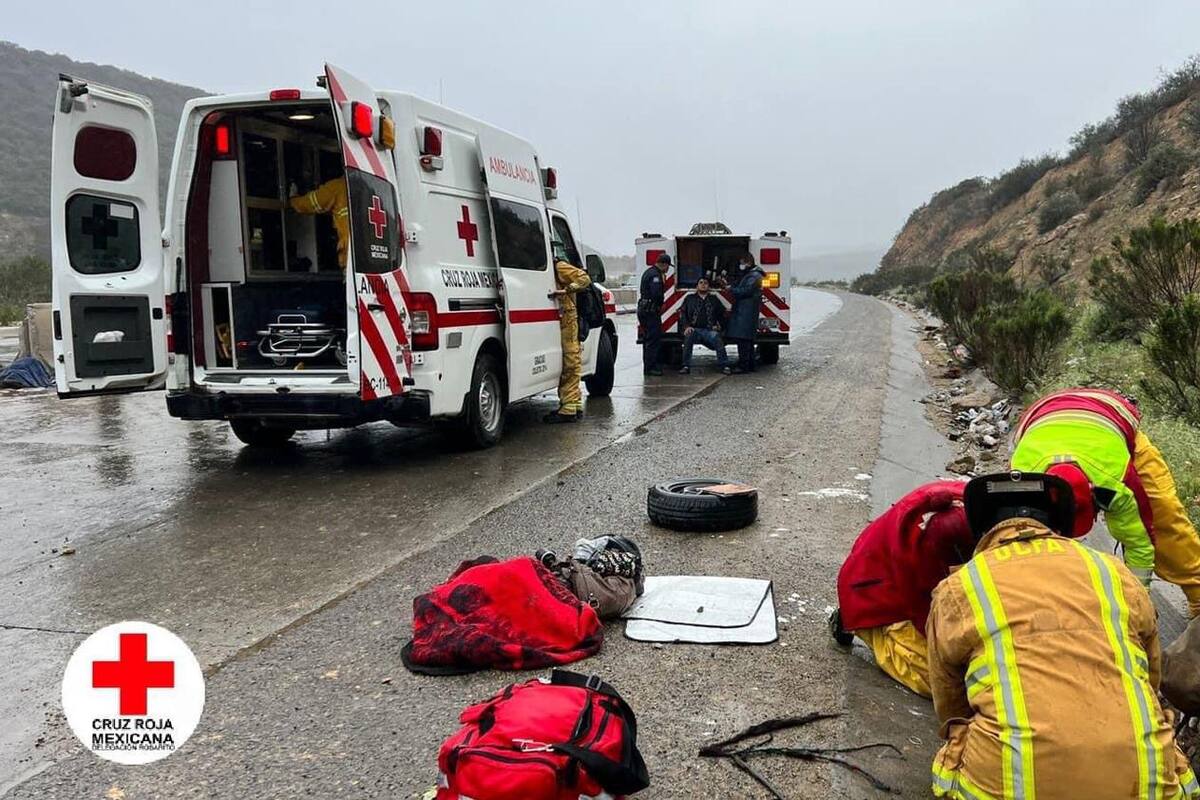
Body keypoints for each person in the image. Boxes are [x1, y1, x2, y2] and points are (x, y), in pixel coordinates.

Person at [926, 470, 1200, 800]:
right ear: (1059, 524)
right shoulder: (1113, 572)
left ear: (983, 530)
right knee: (1175, 768)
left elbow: (950, 704)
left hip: (1014, 785)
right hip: (1142, 786)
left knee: (951, 762)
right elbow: (1150, 678)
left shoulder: (960, 587)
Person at [1011, 387, 1200, 616]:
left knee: (1163, 516)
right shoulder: (1022, 480)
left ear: (1095, 493)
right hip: (1043, 416)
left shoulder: (1116, 479)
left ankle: (1198, 595)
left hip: (1107, 414)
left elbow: (1139, 542)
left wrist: (1139, 603)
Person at [832, 481, 973, 697]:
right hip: (872, 595)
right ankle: (862, 625)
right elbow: (927, 621)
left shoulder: (969, 501)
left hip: (883, 570)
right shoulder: (918, 559)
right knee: (940, 681)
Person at [545, 247, 592, 424]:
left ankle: (568, 409)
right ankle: (575, 403)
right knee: (572, 362)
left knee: (570, 361)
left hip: (568, 318)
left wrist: (566, 291)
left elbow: (584, 278)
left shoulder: (559, 267)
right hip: (566, 317)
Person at [289, 177, 350, 270]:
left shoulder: (338, 186)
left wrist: (294, 198)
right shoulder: (368, 187)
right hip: (372, 256)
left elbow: (312, 203)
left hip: (351, 256)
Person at [678, 277, 730, 374]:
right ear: (697, 286)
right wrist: (686, 326)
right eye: (701, 283)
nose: (703, 284)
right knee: (688, 338)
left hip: (709, 330)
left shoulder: (714, 299)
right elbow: (683, 314)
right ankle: (685, 366)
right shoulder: (689, 298)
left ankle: (725, 366)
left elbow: (722, 314)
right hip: (694, 329)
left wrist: (720, 326)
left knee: (717, 339)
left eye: (705, 283)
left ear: (709, 286)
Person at [725, 254, 765, 374]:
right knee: (747, 341)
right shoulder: (752, 274)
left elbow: (746, 291)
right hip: (747, 311)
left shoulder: (754, 276)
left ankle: (744, 366)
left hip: (746, 312)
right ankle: (750, 364)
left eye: (742, 263)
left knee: (743, 340)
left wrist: (731, 289)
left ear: (748, 263)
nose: (741, 266)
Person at [638, 253, 670, 376]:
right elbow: (656, 293)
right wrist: (661, 304)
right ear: (664, 264)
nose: (668, 269)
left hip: (644, 309)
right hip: (650, 311)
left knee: (648, 339)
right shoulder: (655, 275)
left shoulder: (649, 272)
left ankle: (648, 366)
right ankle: (651, 368)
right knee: (653, 339)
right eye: (667, 266)